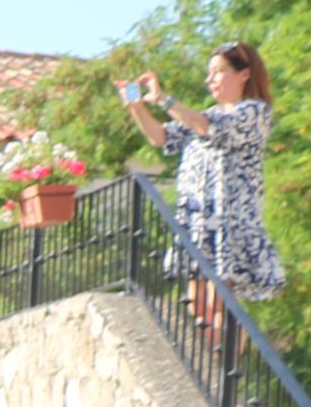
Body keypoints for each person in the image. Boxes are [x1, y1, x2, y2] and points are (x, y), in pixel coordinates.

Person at [120, 42, 280, 361]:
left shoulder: (254, 112)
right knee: (198, 304)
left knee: (221, 300)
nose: (211, 80)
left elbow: (207, 128)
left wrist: (164, 98)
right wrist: (137, 107)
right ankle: (210, 371)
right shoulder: (202, 116)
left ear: (244, 74)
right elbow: (161, 137)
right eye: (209, 73)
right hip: (197, 219)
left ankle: (225, 374)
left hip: (229, 221)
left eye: (219, 71)